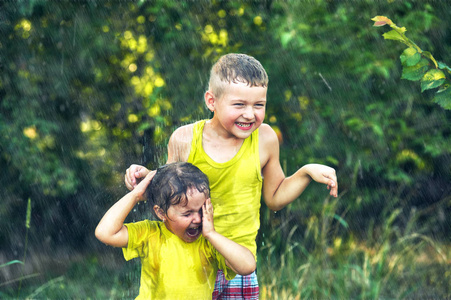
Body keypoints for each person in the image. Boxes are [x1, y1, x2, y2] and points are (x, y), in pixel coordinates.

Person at [124, 53, 338, 299]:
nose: (250, 114)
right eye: (239, 105)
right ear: (211, 101)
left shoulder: (265, 139)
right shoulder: (185, 140)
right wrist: (145, 178)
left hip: (238, 262)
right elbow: (168, 194)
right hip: (194, 259)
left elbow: (275, 197)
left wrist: (305, 172)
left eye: (259, 105)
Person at [96, 162, 256, 299]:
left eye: (202, 210)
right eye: (187, 213)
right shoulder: (149, 234)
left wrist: (212, 234)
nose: (198, 219)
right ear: (161, 213)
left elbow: (248, 266)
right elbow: (105, 232)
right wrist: (136, 195)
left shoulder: (209, 242)